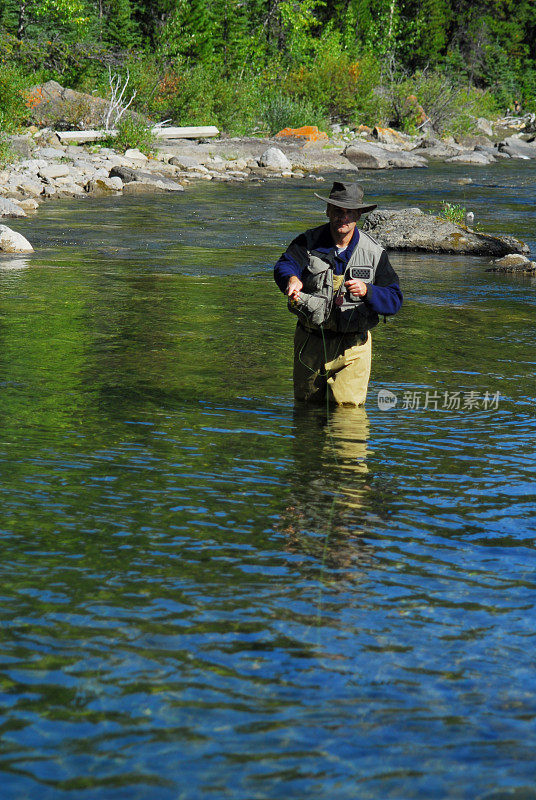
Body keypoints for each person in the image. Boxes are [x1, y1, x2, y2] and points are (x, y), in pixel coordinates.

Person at [273, 181, 402, 405]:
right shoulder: (306, 243)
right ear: (328, 211)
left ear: (358, 215)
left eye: (349, 212)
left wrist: (368, 291)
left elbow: (394, 300)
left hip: (354, 348)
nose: (343, 217)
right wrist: (291, 279)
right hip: (309, 344)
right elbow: (285, 265)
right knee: (306, 412)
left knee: (347, 417)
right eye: (337, 211)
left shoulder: (375, 253)